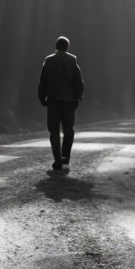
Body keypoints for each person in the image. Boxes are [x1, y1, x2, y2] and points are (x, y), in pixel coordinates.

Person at [38, 36, 84, 171]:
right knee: (68, 130)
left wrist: (42, 98)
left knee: (54, 131)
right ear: (67, 47)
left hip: (53, 101)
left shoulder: (49, 60)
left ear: (56, 46)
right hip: (69, 102)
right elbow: (79, 82)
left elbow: (43, 81)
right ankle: (65, 159)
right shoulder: (72, 61)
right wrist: (78, 97)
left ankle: (57, 160)